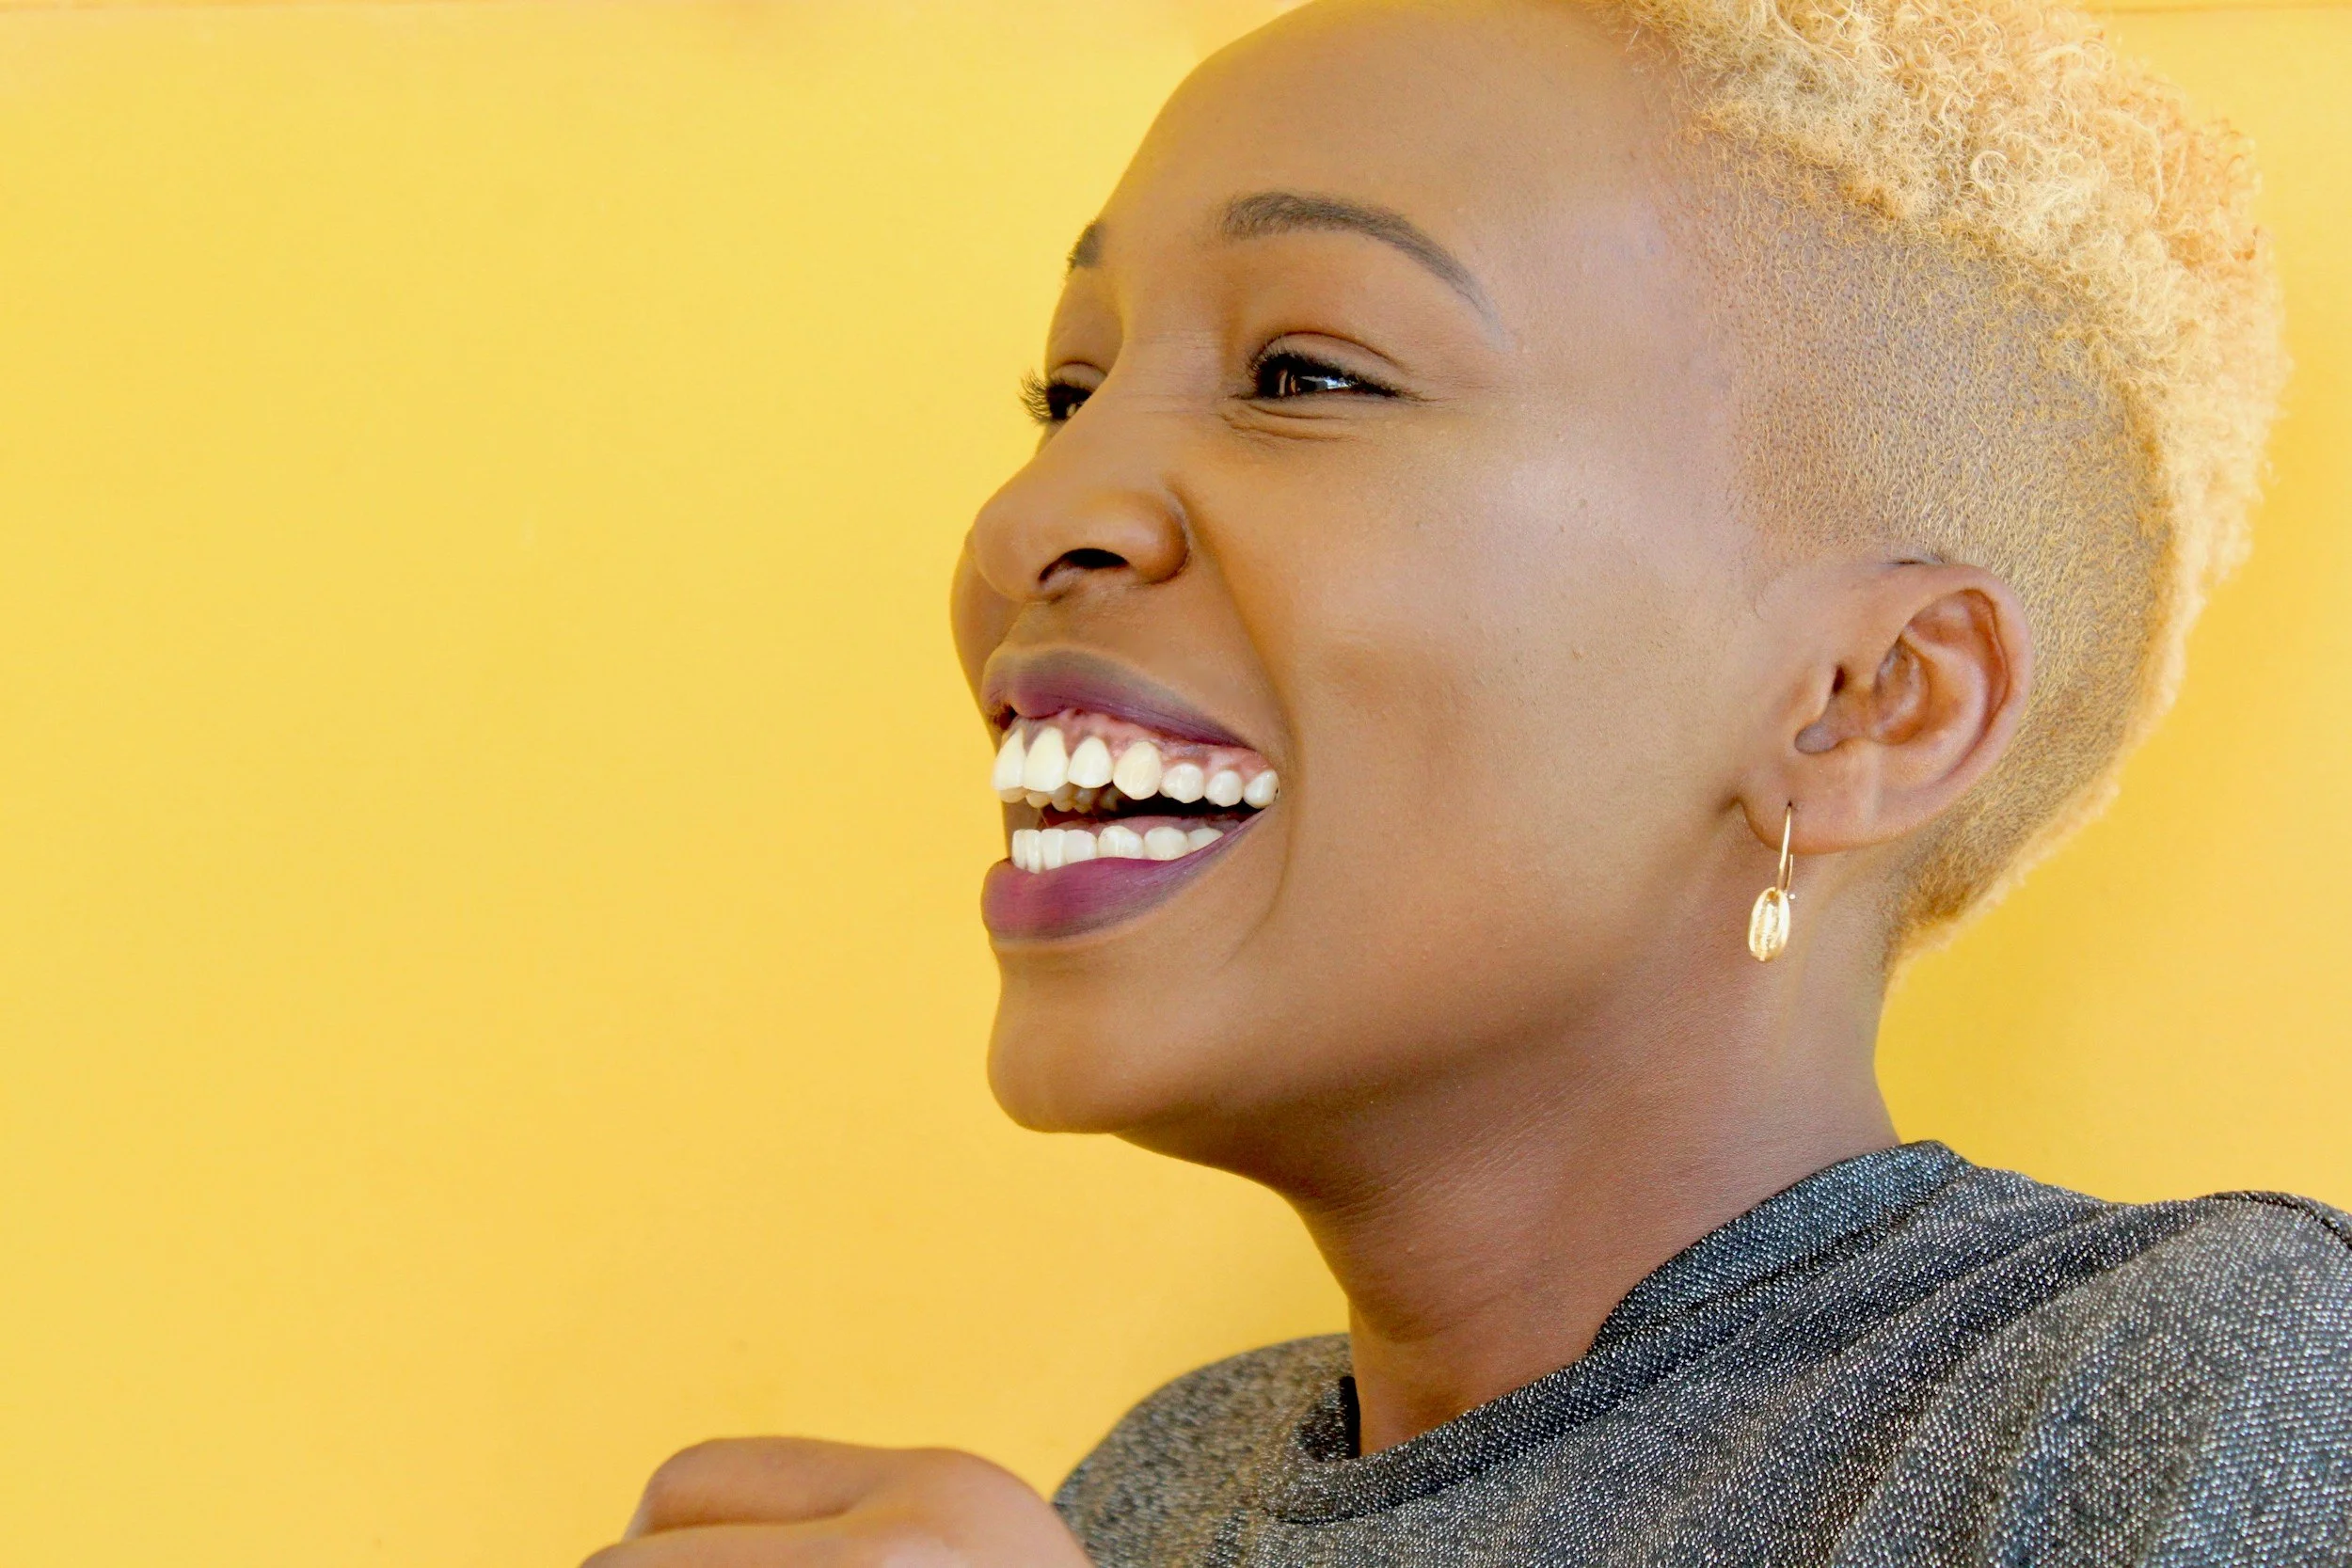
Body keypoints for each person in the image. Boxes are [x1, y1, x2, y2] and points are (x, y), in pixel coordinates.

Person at [583, 0, 2350, 1562]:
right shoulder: (1160, 1495)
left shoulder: (2207, 1382)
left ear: (1863, 702)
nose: (1030, 519)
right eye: (1067, 387)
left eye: (1304, 374)